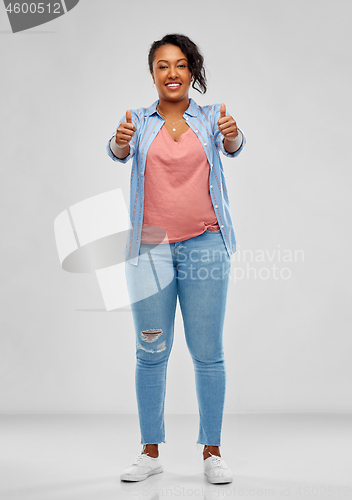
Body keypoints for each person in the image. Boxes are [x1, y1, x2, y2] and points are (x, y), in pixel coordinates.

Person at [106, 33, 246, 484]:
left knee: (208, 352)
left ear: (192, 72)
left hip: (205, 244)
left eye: (181, 65)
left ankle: (212, 452)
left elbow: (234, 146)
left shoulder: (210, 118)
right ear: (153, 74)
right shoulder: (137, 120)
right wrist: (119, 142)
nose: (172, 73)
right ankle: (150, 452)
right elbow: (117, 151)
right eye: (163, 66)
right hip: (150, 250)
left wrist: (234, 134)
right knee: (151, 351)